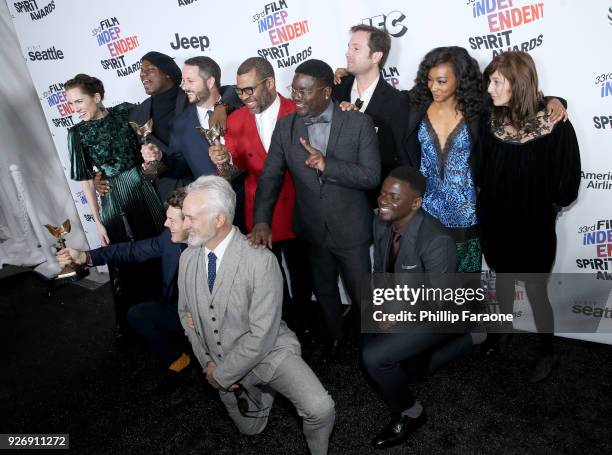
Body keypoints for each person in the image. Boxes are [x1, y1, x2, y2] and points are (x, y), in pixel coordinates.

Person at [178, 176, 335, 455]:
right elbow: (186, 317)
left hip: (268, 353)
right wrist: (209, 364)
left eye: (190, 217)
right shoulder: (187, 259)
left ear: (219, 220)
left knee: (320, 409)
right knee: (251, 429)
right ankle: (262, 394)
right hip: (219, 360)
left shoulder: (261, 261)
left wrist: (221, 375)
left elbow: (262, 335)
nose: (184, 224)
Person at [252, 59, 380, 362]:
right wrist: (261, 220)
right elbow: (270, 176)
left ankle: (373, 346)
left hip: (351, 228)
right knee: (324, 291)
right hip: (311, 228)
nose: (296, 98)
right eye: (294, 91)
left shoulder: (358, 123)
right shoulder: (286, 127)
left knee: (362, 294)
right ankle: (335, 338)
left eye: (304, 92)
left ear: (325, 91)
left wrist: (328, 164)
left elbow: (371, 176)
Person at [477, 51, 581, 382]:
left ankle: (547, 352)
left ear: (517, 83)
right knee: (504, 282)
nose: (489, 88)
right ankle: (500, 332)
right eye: (489, 80)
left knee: (536, 291)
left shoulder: (557, 126)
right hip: (497, 221)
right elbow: (479, 169)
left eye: (496, 81)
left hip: (534, 225)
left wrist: (545, 206)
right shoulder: (488, 120)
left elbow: (568, 181)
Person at [363, 166, 472, 449]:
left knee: (375, 358)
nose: (384, 201)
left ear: (415, 203)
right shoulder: (381, 221)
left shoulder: (436, 240)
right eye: (383, 193)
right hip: (404, 302)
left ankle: (411, 414)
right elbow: (381, 271)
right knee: (401, 367)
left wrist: (398, 312)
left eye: (394, 197)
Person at [208, 56, 314, 337]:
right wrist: (223, 162)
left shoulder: (298, 111)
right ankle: (279, 325)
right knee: (268, 276)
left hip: (299, 209)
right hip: (260, 214)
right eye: (240, 91)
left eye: (249, 90)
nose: (244, 98)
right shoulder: (235, 120)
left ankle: (305, 322)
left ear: (270, 83)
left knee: (303, 271)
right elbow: (233, 174)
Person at [56, 189, 191, 394]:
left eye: (172, 220)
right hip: (179, 309)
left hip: (212, 317)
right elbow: (132, 250)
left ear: (191, 222)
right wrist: (85, 257)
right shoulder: (168, 238)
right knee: (138, 315)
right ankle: (179, 359)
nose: (165, 224)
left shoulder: (215, 249)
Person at [65, 73, 165, 335]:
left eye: (79, 102)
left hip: (143, 190)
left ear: (96, 97)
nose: (75, 110)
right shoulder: (76, 133)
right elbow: (86, 181)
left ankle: (169, 311)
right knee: (121, 257)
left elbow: (150, 139)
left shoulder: (126, 113)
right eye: (71, 104)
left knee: (156, 246)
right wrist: (97, 222)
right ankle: (131, 320)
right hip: (111, 198)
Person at [167, 56, 245, 230]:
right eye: (183, 81)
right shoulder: (180, 124)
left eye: (190, 81)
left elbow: (234, 91)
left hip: (254, 205)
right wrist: (156, 159)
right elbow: (177, 168)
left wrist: (223, 105)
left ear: (210, 82)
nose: (184, 86)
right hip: (215, 218)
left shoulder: (240, 105)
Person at [332, 24, 408, 192]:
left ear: (376, 56)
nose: (348, 53)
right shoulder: (335, 89)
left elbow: (401, 159)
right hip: (334, 198)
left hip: (374, 201)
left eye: (356, 49)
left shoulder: (397, 103)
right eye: (349, 47)